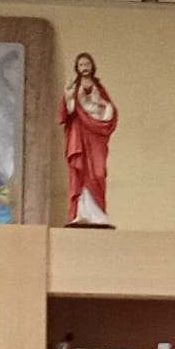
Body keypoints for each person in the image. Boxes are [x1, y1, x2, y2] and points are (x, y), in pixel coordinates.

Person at [59, 51, 117, 227]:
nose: (84, 68)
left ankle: (98, 213)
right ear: (77, 68)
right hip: (79, 133)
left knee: (98, 173)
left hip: (96, 135)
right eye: (81, 65)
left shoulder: (99, 87)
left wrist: (101, 104)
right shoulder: (74, 88)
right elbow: (67, 114)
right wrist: (68, 97)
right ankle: (81, 213)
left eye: (87, 64)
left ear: (92, 66)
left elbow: (109, 112)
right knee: (80, 173)